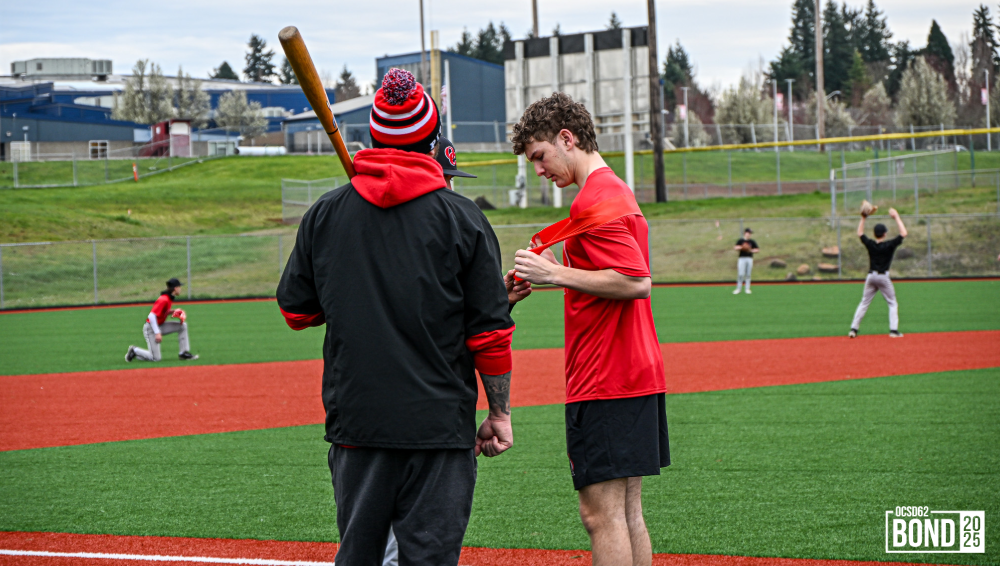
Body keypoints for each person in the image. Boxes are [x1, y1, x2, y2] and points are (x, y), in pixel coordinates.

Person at [276, 68, 515, 566]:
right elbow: (490, 336)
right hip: (439, 427)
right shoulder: (463, 217)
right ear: (432, 142)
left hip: (357, 424)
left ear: (375, 134)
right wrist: (499, 412)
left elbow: (297, 313)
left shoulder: (325, 214)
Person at [509, 92, 668, 566]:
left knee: (601, 516)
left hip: (605, 378)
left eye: (540, 156)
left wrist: (554, 275)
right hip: (634, 372)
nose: (539, 169)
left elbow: (636, 281)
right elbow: (612, 279)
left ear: (566, 138)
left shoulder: (597, 196)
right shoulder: (614, 190)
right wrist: (562, 272)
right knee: (626, 510)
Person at [849, 207, 908, 338]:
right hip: (883, 277)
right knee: (892, 303)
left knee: (864, 303)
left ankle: (853, 329)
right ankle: (893, 331)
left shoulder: (870, 244)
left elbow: (860, 233)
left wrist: (863, 218)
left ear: (875, 234)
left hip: (871, 277)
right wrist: (896, 217)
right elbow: (904, 233)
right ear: (885, 234)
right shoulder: (889, 245)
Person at [125, 278, 198, 362]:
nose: (180, 289)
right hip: (151, 328)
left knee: (182, 326)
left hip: (160, 325)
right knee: (156, 358)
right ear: (175, 288)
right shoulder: (164, 299)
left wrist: (173, 311)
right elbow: (151, 316)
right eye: (179, 287)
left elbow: (162, 311)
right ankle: (135, 350)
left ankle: (183, 353)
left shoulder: (168, 298)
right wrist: (157, 332)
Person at [732, 228, 759, 294]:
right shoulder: (741, 240)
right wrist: (742, 247)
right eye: (748, 233)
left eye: (750, 233)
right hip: (742, 258)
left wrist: (751, 250)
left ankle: (747, 289)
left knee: (748, 274)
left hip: (749, 258)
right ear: (745, 233)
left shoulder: (752, 241)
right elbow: (735, 247)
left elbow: (757, 249)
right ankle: (738, 289)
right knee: (740, 274)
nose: (749, 234)